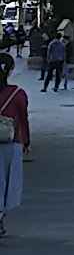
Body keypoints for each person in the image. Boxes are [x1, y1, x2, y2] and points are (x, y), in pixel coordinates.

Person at [0, 55, 29, 237]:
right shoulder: (17, 93)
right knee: (8, 183)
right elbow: (23, 120)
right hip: (10, 142)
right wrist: (26, 142)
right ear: (10, 70)